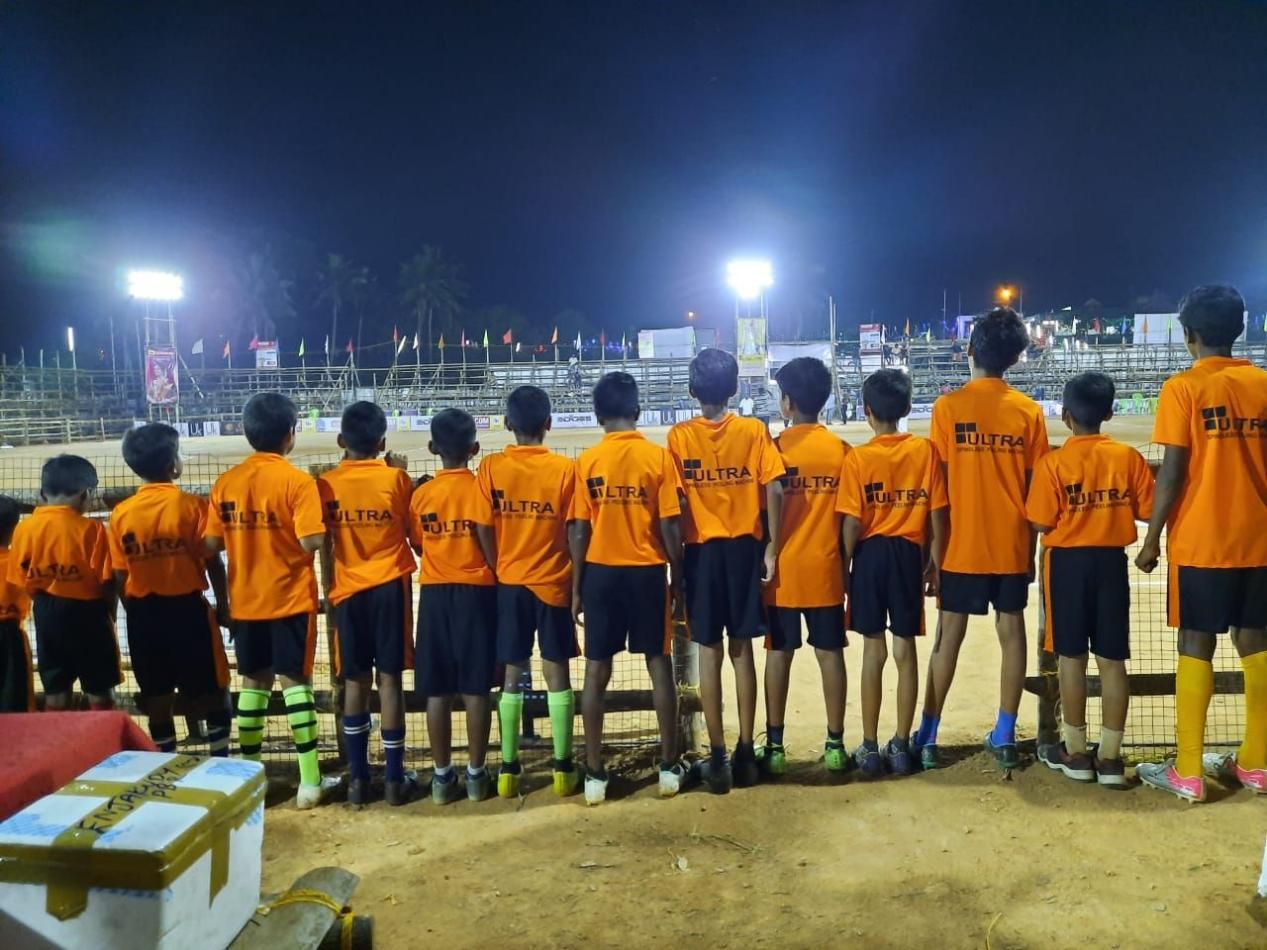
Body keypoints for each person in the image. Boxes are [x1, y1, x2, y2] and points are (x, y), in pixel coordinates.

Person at [1135, 285, 1267, 802]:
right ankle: (1256, 762)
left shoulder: (1183, 388)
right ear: (1240, 330)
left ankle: (1187, 769)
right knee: (1256, 642)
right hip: (1258, 539)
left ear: (1189, 335)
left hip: (1201, 539)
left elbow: (1172, 472)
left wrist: (1150, 538)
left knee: (1195, 642)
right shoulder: (1262, 384)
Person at [917, 308, 1049, 771]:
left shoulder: (948, 408)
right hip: (1010, 544)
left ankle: (928, 736)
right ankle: (1005, 733)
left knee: (946, 639)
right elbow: (1034, 488)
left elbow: (938, 488)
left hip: (960, 545)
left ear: (970, 349)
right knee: (1012, 635)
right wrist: (1029, 551)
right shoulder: (1028, 412)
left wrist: (933, 552)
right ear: (1014, 358)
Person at [205, 393, 337, 810]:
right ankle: (310, 781)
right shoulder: (297, 482)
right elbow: (311, 540)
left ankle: (250, 778)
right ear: (290, 435)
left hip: (245, 601)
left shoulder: (226, 483)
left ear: (247, 434)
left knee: (253, 683)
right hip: (289, 599)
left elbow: (210, 544)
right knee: (296, 684)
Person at [1027, 372, 1154, 789]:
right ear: (1109, 413)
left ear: (1065, 416)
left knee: (1071, 659)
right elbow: (1149, 509)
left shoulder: (1053, 463)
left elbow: (1041, 520)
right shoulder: (1127, 458)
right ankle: (1111, 758)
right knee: (1112, 660)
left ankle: (1076, 751)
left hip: (1067, 565)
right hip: (1110, 564)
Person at [668, 348, 786, 793]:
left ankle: (717, 756)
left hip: (701, 553)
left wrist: (677, 564)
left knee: (709, 653)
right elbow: (774, 487)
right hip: (743, 551)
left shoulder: (680, 436)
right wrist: (771, 545)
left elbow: (677, 503)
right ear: (735, 388)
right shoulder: (753, 430)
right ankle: (745, 752)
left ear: (691, 390)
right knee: (742, 651)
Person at [571, 372, 687, 804]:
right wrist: (679, 576)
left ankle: (594, 773)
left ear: (597, 415)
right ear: (637, 411)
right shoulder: (658, 458)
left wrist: (577, 586)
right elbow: (670, 524)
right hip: (646, 572)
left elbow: (579, 529)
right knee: (659, 664)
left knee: (596, 670)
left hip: (600, 573)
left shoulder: (587, 462)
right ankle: (669, 766)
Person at [838, 369, 948, 776]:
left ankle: (869, 748)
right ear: (906, 408)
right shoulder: (924, 451)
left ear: (866, 411)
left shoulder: (859, 458)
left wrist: (844, 567)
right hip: (907, 556)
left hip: (869, 556)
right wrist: (935, 561)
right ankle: (901, 745)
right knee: (905, 650)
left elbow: (852, 522)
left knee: (874, 650)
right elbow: (937, 514)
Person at [475, 386, 581, 799]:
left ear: (507, 423)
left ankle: (508, 770)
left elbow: (483, 526)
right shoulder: (565, 470)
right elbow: (575, 529)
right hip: (553, 581)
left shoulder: (491, 467)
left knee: (512, 672)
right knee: (557, 672)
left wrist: (497, 564)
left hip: (511, 581)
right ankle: (562, 769)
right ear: (549, 424)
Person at [316, 402, 418, 806]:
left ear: (342, 441)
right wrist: (398, 471)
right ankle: (393, 779)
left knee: (355, 681)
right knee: (390, 681)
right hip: (390, 587)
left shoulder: (326, 484)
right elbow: (411, 532)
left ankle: (358, 779)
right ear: (382, 443)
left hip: (349, 591)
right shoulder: (397, 479)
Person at [109, 423, 233, 755]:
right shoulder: (192, 506)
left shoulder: (121, 514)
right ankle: (220, 762)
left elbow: (120, 575)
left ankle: (166, 764)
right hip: (188, 612)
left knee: (157, 697)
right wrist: (224, 606)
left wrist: (135, 611)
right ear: (171, 465)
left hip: (143, 615)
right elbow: (213, 562)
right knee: (212, 691)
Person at [758, 358, 851, 776]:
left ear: (788, 402)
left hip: (783, 573)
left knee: (779, 654)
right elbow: (850, 517)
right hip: (826, 569)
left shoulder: (773, 450)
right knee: (830, 654)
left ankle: (775, 747)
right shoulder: (842, 452)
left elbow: (763, 511)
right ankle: (835, 744)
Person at [409, 408, 498, 804]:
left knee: (437, 689)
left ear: (432, 448)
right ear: (474, 449)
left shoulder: (422, 495)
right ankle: (477, 774)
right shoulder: (480, 490)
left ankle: (442, 777)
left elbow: (417, 542)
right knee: (477, 687)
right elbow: (490, 537)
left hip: (435, 595)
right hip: (477, 592)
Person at [7, 455, 118, 710]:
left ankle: (57, 734)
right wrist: (109, 614)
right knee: (100, 690)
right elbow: (107, 582)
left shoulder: (24, 529)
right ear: (86, 494)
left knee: (56, 690)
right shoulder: (92, 530)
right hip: (89, 614)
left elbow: (20, 578)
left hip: (47, 612)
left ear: (42, 494)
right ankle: (104, 732)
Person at [0, 496, 34, 713]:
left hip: (10, 633)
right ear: (13, 530)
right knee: (14, 705)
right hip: (9, 636)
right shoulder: (20, 562)